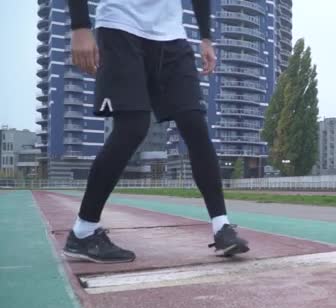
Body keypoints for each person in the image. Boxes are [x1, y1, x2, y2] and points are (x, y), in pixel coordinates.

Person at [62, 0, 249, 263]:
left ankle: (222, 228)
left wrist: (206, 37)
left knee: (195, 125)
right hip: (121, 26)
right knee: (132, 128)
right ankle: (83, 231)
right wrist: (80, 26)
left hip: (172, 36)